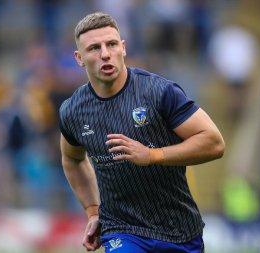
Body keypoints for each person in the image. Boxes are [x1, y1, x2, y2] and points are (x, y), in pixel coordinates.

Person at [59, 12, 225, 253]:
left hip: (179, 230)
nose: (105, 53)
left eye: (112, 44)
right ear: (79, 58)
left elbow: (214, 143)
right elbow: (72, 159)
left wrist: (152, 155)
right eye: (94, 48)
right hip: (122, 230)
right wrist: (93, 211)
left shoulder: (159, 92)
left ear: (123, 48)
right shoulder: (73, 111)